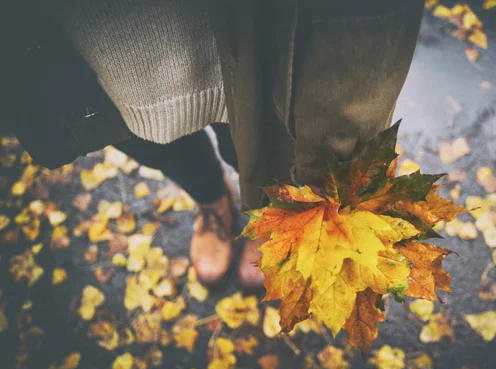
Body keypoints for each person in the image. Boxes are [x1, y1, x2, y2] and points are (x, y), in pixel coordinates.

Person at [1, 0, 425, 291]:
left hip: (242, 52)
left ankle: (263, 217)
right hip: (100, 74)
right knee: (158, 147)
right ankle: (213, 205)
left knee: (254, 148)